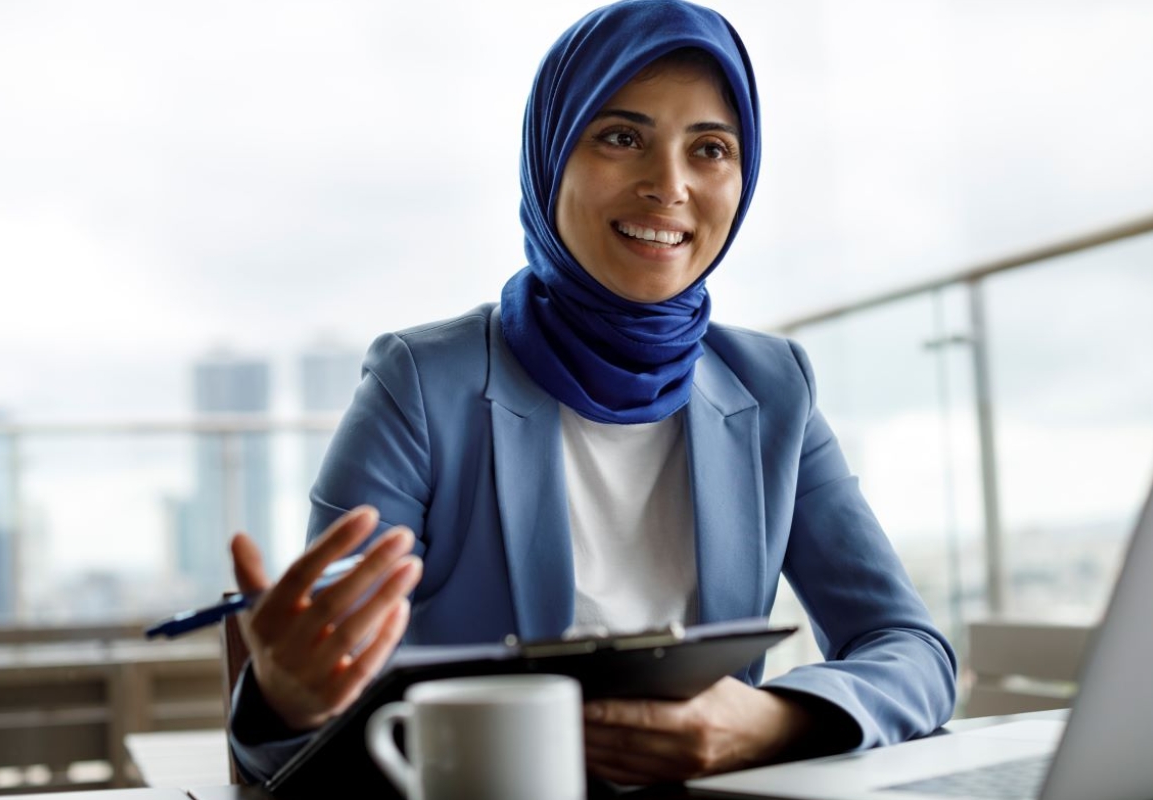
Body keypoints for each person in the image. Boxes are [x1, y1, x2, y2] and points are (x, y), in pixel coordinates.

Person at [227, 0, 958, 787]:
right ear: (550, 159)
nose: (669, 186)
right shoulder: (419, 383)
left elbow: (911, 650)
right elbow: (312, 720)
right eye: (621, 137)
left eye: (709, 149)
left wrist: (770, 721)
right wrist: (286, 699)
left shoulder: (774, 388)